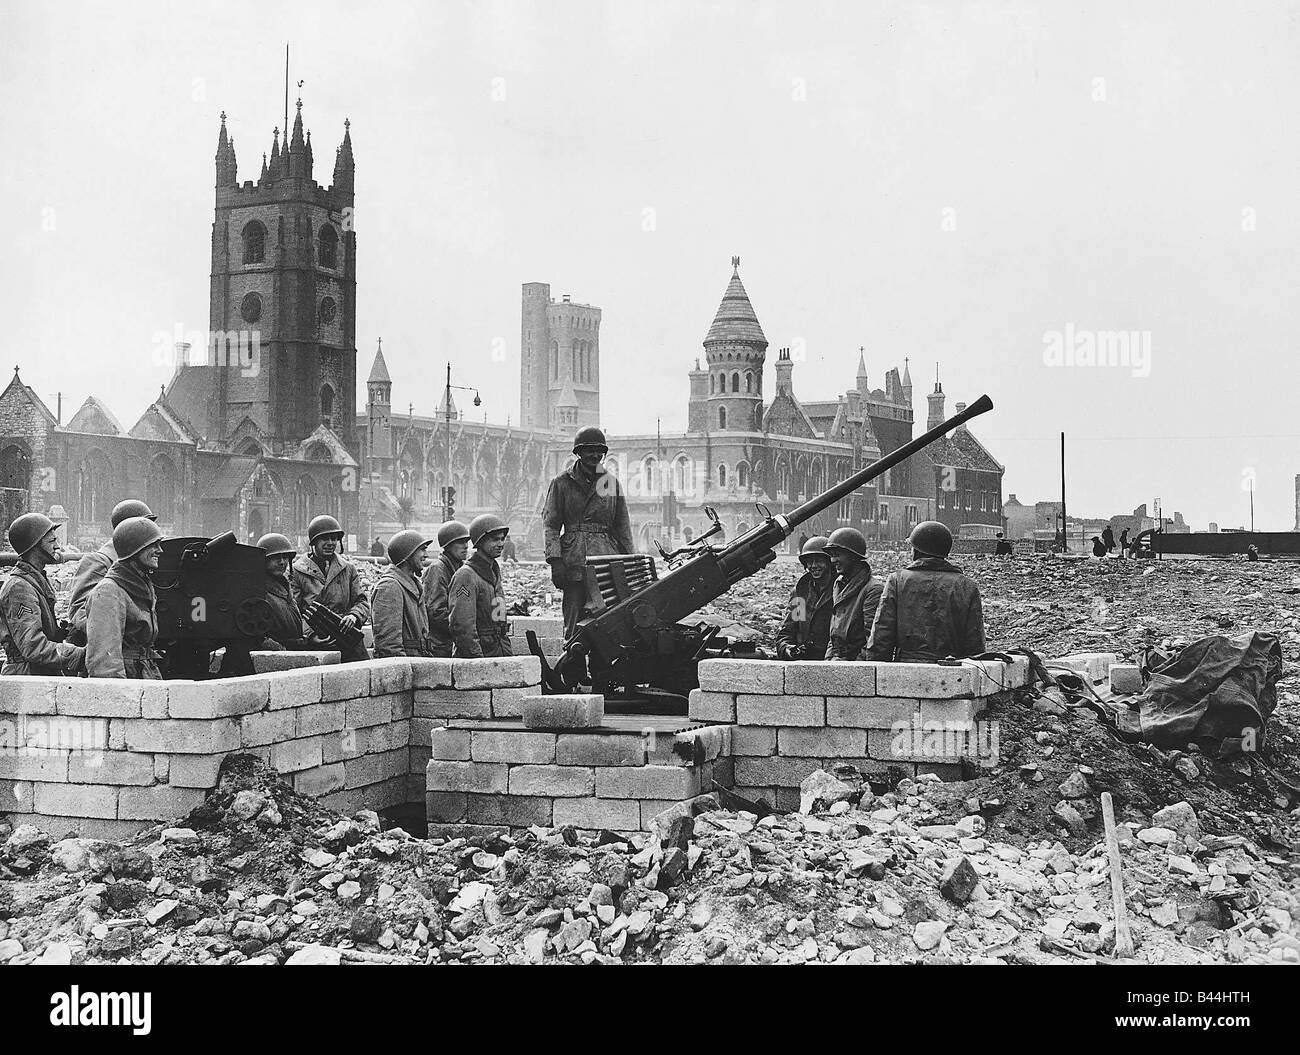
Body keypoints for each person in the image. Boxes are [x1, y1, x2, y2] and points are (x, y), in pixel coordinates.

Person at [542, 426, 634, 637]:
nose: (594, 455)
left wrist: (629, 562)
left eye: (599, 450)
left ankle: (601, 670)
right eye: (588, 450)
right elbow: (551, 524)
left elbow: (623, 526)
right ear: (578, 453)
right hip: (574, 561)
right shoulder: (561, 483)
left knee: (606, 621)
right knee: (574, 622)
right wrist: (555, 562)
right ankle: (573, 668)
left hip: (605, 561)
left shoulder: (611, 483)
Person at [866, 520, 986, 662]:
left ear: (916, 550)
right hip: (953, 673)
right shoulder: (967, 586)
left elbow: (882, 636)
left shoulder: (897, 581)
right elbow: (975, 644)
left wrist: (877, 674)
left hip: (904, 673)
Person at [0, 513, 85, 676]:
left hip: (38, 673)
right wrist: (78, 655)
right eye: (52, 541)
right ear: (34, 545)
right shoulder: (19, 588)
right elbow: (33, 646)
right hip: (25, 677)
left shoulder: (35, 581)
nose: (57, 546)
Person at [86, 516, 165, 679]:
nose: (160, 550)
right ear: (134, 549)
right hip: (127, 683)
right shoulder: (109, 592)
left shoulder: (140, 585)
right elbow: (105, 665)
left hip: (142, 675)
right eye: (153, 545)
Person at [67, 499, 156, 645]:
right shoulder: (99, 561)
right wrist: (116, 631)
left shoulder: (138, 562)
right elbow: (79, 611)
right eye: (144, 526)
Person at [290, 514, 370, 662]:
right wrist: (310, 636)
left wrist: (353, 616)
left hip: (348, 639)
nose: (330, 543)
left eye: (334, 539)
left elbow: (362, 602)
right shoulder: (297, 571)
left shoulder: (348, 569)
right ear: (314, 541)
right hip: (318, 642)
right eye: (325, 539)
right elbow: (294, 612)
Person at [449, 514, 512, 657]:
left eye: (502, 539)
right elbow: (463, 628)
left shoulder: (494, 572)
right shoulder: (466, 576)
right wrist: (477, 660)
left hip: (498, 651)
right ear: (480, 541)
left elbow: (499, 620)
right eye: (495, 539)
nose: (501, 544)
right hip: (479, 656)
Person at [823, 527, 883, 661]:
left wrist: (853, 668)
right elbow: (835, 635)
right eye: (831, 555)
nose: (832, 560)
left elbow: (873, 642)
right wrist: (828, 661)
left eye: (837, 554)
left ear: (853, 556)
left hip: (856, 667)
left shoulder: (873, 589)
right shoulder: (838, 585)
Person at [371, 529, 434, 658]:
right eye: (421, 550)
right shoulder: (389, 587)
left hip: (418, 661)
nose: (426, 555)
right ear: (407, 554)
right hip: (405, 666)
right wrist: (404, 673)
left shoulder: (413, 584)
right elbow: (388, 646)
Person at [774, 535, 834, 661]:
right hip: (804, 662)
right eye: (809, 561)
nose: (813, 565)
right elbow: (788, 631)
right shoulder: (801, 595)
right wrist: (788, 649)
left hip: (831, 661)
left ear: (829, 562)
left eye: (819, 561)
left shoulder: (840, 592)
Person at [423, 520, 470, 658]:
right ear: (448, 546)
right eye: (460, 542)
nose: (465, 546)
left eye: (466, 542)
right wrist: (463, 627)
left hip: (455, 642)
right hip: (440, 646)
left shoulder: (460, 569)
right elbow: (436, 611)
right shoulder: (437, 570)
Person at [256, 533, 305, 649]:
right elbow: (257, 636)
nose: (282, 562)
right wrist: (280, 650)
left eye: (285, 557)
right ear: (263, 560)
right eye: (276, 557)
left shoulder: (284, 586)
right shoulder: (257, 590)